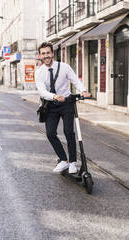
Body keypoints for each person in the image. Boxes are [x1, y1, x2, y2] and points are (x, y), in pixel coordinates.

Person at [36, 42, 90, 173]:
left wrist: (83, 90)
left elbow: (75, 80)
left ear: (52, 53)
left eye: (48, 53)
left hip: (66, 103)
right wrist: (54, 96)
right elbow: (42, 92)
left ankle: (72, 162)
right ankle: (63, 160)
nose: (46, 56)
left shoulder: (64, 67)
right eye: (43, 53)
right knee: (50, 133)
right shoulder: (39, 73)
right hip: (50, 106)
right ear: (40, 56)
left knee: (69, 132)